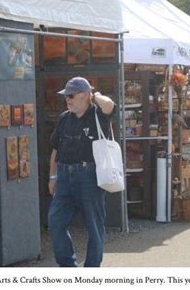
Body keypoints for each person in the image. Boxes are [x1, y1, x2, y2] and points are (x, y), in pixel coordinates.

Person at [48, 77, 115, 267]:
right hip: (64, 176)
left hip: (89, 176)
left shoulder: (98, 114)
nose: (67, 99)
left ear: (85, 96)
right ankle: (68, 267)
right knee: (55, 222)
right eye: (66, 96)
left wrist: (95, 96)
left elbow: (109, 104)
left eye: (71, 95)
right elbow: (55, 150)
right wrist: (52, 176)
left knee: (94, 227)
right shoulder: (64, 118)